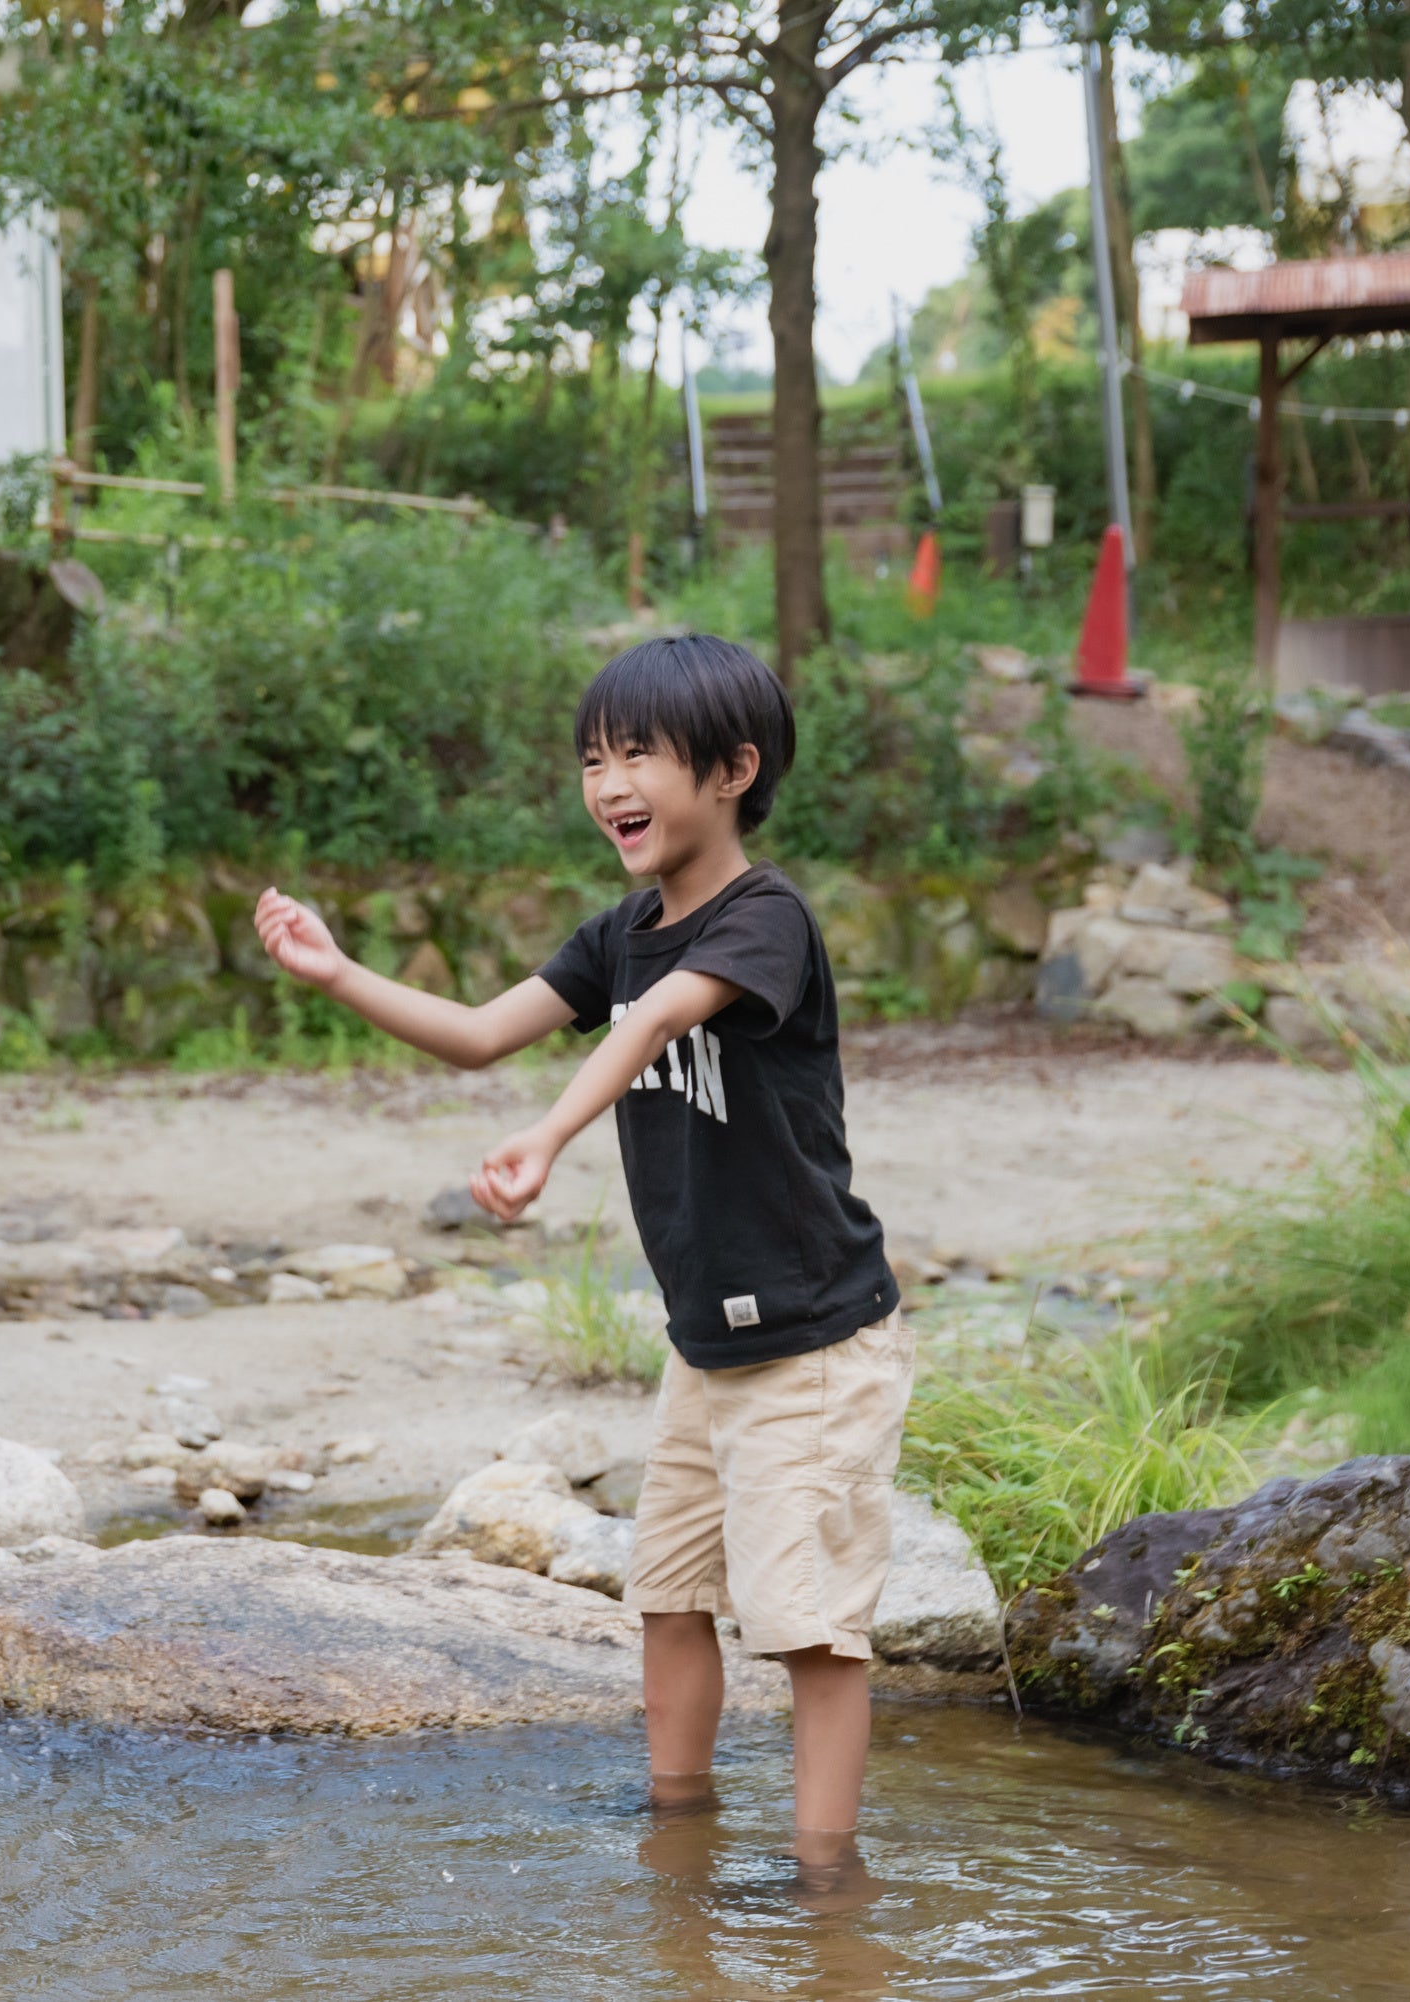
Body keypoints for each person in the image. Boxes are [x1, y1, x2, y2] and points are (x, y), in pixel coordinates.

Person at [253, 633, 905, 1886]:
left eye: (639, 756)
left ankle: (828, 1887)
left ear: (733, 770)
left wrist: (552, 1134)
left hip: (815, 1343)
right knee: (668, 1593)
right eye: (594, 758)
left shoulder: (765, 918)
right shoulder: (618, 931)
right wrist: (337, 973)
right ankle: (681, 1831)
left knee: (811, 1630)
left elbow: (664, 1015)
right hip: (705, 1348)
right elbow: (482, 1033)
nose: (610, 783)